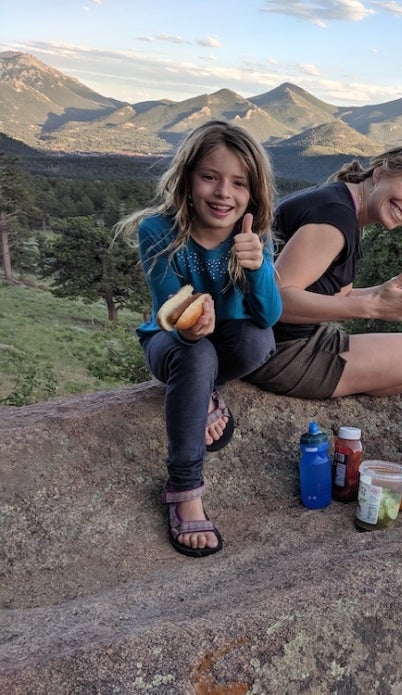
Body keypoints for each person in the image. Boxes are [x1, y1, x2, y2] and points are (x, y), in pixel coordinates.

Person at [116, 120, 282, 558]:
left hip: (225, 342)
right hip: (168, 342)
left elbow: (268, 318)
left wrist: (258, 266)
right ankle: (185, 488)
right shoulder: (158, 231)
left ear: (253, 193)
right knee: (195, 354)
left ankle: (206, 392)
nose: (223, 192)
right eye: (210, 176)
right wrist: (190, 328)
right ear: (188, 179)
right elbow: (169, 310)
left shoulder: (251, 237)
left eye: (238, 183)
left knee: (256, 342)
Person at [245, 144, 402, 399]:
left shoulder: (342, 205)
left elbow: (329, 294)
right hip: (281, 353)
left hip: (295, 340)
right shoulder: (336, 219)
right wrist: (370, 307)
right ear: (379, 174)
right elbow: (278, 300)